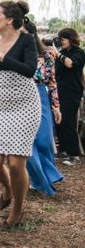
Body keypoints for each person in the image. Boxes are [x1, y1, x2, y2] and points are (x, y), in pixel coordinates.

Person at [0, 0, 40, 228]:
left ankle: (17, 209)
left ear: (10, 20)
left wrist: (3, 58)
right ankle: (7, 188)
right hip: (0, 104)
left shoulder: (27, 40)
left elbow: (30, 70)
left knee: (16, 164)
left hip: (25, 104)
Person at [22, 20, 63, 195]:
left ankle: (49, 176)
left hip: (41, 96)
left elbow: (52, 83)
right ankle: (37, 180)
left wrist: (56, 107)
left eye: (25, 33)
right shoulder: (16, 54)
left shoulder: (47, 55)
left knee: (44, 141)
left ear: (33, 35)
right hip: (21, 97)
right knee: (27, 142)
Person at [51, 28, 85, 165]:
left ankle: (74, 155)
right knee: (59, 121)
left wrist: (58, 54)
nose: (61, 42)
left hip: (72, 92)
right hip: (59, 92)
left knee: (69, 122)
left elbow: (70, 64)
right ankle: (63, 150)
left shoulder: (79, 52)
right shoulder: (62, 53)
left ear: (71, 39)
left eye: (63, 39)